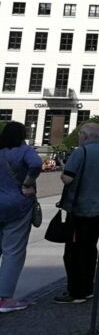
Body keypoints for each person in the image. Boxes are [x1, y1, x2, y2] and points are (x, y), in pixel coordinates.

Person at [55, 122, 99, 304]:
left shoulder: (80, 152)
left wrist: (63, 172)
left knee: (73, 252)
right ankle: (87, 288)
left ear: (85, 136)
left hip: (80, 209)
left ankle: (76, 291)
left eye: (79, 135)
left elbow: (67, 178)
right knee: (90, 249)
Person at [0, 122, 42, 312]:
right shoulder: (24, 150)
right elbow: (36, 164)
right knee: (13, 250)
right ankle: (5, 298)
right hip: (17, 204)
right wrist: (28, 183)